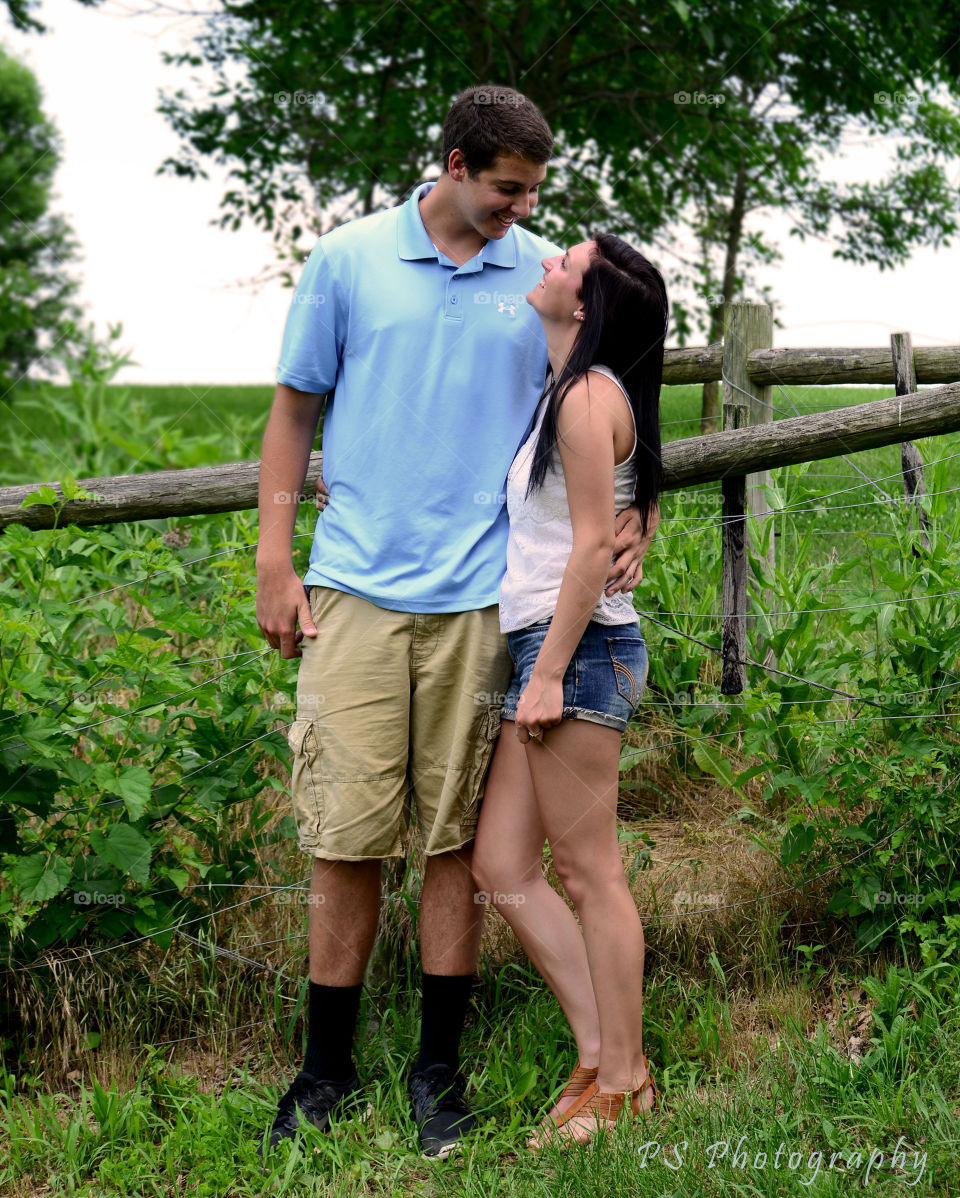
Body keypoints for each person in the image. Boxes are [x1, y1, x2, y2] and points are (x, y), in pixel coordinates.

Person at [255, 84, 657, 1160]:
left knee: (452, 850)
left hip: (488, 607)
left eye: (534, 195)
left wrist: (642, 513)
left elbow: (615, 397)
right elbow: (294, 412)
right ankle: (323, 1071)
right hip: (354, 593)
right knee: (343, 840)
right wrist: (272, 558)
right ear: (455, 161)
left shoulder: (540, 282)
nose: (522, 213)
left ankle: (440, 1072)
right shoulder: (346, 262)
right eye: (508, 190)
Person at [472, 234, 667, 1146]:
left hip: (577, 653)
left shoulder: (588, 398)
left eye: (566, 266)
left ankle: (625, 1086)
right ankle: (598, 1053)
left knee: (591, 875)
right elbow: (604, 515)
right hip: (547, 650)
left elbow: (593, 546)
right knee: (502, 867)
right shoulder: (570, 390)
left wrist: (546, 675)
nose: (546, 266)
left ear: (583, 308)